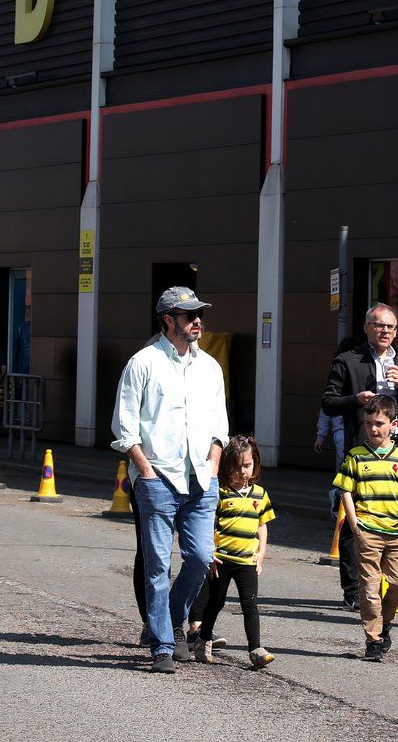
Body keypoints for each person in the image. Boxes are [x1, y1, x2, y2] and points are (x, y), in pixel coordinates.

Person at [111, 286, 228, 674]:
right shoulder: (143, 363)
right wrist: (144, 468)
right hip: (157, 476)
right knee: (157, 564)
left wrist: (212, 465)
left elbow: (219, 427)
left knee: (199, 557)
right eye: (188, 314)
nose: (197, 321)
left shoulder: (210, 367)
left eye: (199, 314)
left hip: (201, 479)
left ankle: (169, 618)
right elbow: (124, 426)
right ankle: (163, 644)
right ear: (168, 320)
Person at [321, 302, 398, 608]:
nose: (385, 331)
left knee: (393, 517)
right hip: (361, 450)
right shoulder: (348, 361)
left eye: (391, 327)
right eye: (379, 325)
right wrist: (356, 398)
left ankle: (388, 585)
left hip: (396, 452)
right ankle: (354, 592)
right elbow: (328, 402)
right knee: (355, 520)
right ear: (367, 327)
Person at [335, 394, 398, 662]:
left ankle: (385, 623)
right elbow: (346, 491)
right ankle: (373, 640)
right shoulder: (356, 456)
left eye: (379, 423)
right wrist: (355, 524)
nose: (373, 429)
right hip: (367, 529)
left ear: (393, 424)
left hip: (397, 531)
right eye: (369, 423)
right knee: (369, 589)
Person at [185, 436, 276, 669]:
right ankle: (203, 638)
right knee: (216, 602)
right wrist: (210, 553)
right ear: (226, 467)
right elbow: (209, 526)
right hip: (222, 560)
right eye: (237, 467)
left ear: (255, 463)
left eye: (247, 465)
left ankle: (255, 648)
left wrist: (261, 553)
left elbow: (262, 525)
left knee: (250, 604)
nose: (243, 472)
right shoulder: (221, 494)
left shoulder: (260, 494)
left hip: (247, 561)